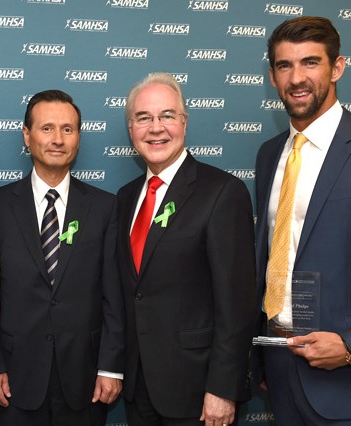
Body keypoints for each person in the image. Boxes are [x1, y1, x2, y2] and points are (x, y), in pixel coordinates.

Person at [253, 16, 351, 425]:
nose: (296, 77)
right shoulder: (270, 154)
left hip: (349, 381)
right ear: (272, 76)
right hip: (280, 372)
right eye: (284, 66)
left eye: (310, 63)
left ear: (337, 67)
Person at [116, 72, 256, 426]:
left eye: (167, 116)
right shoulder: (125, 198)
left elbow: (237, 304)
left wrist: (223, 389)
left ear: (184, 122)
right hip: (139, 388)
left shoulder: (222, 192)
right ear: (131, 129)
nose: (156, 128)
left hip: (198, 392)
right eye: (143, 118)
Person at [0, 89, 124, 426]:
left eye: (68, 129)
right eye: (46, 128)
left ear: (78, 137)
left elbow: (114, 296)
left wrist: (110, 366)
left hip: (87, 380)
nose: (57, 139)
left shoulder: (105, 208)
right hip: (15, 380)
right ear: (27, 136)